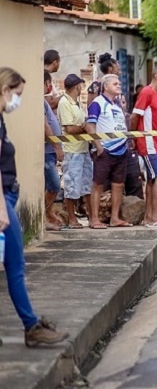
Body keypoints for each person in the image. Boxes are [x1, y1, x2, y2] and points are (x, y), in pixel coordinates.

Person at [0, 67, 71, 347]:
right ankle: (32, 328)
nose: (18, 100)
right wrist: (2, 210)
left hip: (8, 197)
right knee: (16, 267)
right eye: (17, 94)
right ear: (5, 89)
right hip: (3, 200)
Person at [86, 74, 131, 229]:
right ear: (105, 86)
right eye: (115, 83)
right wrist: (99, 147)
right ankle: (94, 219)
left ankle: (115, 218)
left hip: (121, 151)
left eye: (119, 83)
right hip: (105, 151)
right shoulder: (97, 103)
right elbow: (90, 126)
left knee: (118, 185)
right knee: (98, 184)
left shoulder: (116, 105)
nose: (119, 85)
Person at [130, 65, 157, 230]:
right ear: (156, 76)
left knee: (152, 179)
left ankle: (149, 218)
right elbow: (135, 116)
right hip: (148, 142)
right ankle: (155, 218)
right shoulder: (147, 92)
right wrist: (134, 137)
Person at [57, 74, 93, 229]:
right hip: (72, 151)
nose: (81, 89)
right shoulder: (64, 102)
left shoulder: (76, 103)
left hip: (83, 149)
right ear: (77, 86)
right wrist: (84, 127)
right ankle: (72, 219)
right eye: (80, 86)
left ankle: (92, 218)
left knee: (86, 185)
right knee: (71, 186)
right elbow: (70, 128)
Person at [43, 71, 64, 231]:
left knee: (51, 185)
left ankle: (47, 215)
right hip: (46, 150)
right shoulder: (39, 102)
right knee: (54, 185)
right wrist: (57, 147)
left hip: (49, 150)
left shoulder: (43, 101)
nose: (50, 87)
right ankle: (46, 215)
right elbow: (44, 125)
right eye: (47, 83)